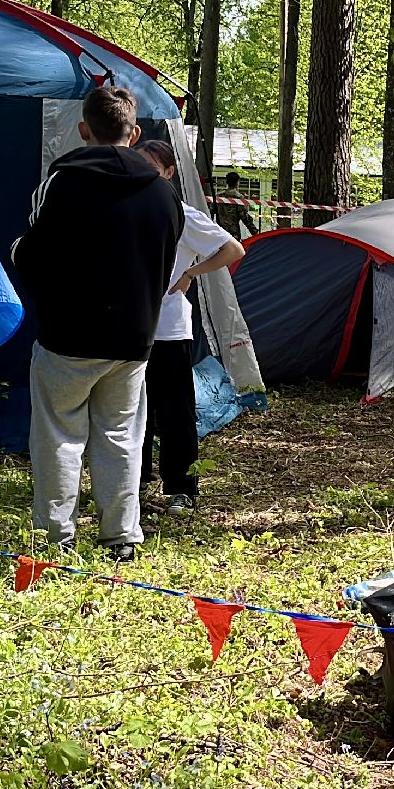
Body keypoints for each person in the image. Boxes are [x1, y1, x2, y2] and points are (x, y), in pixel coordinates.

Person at [13, 88, 182, 561]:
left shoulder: (61, 182)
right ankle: (121, 536)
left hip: (68, 336)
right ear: (134, 133)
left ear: (84, 130)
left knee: (58, 438)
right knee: (121, 437)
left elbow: (34, 253)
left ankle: (55, 539)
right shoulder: (164, 193)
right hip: (133, 338)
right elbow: (163, 262)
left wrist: (18, 256)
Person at [134, 140, 246, 513]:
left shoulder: (181, 214)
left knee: (175, 411)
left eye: (154, 167)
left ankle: (181, 487)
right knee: (133, 409)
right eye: (141, 164)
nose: (147, 172)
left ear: (168, 172)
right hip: (132, 325)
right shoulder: (127, 208)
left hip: (169, 327)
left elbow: (233, 249)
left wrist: (190, 274)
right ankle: (133, 482)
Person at [212, 170, 261, 241]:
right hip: (233, 233)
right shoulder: (238, 197)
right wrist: (255, 232)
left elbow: (211, 212)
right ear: (237, 182)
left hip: (220, 232)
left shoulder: (218, 196)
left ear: (227, 182)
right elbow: (244, 216)